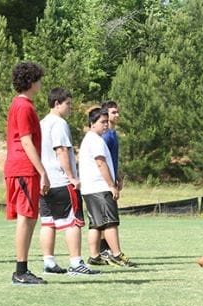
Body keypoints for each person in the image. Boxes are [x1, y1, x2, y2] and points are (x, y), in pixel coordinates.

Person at [39, 88, 100, 276]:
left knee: (48, 222)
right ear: (57, 104)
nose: (70, 108)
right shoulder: (59, 123)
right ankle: (76, 263)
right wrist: (72, 177)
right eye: (68, 104)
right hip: (60, 180)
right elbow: (62, 150)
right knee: (72, 222)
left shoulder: (41, 123)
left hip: (45, 180)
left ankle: (48, 262)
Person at [4, 61, 50, 285]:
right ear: (31, 81)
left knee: (30, 217)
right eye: (39, 79)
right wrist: (42, 171)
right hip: (23, 167)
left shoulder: (25, 105)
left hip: (25, 167)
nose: (41, 83)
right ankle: (20, 271)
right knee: (26, 217)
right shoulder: (23, 106)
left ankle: (23, 269)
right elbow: (25, 141)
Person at [79, 107, 136, 268]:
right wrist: (111, 185)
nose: (106, 125)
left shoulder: (91, 139)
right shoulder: (96, 140)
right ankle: (117, 254)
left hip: (90, 189)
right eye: (102, 122)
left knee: (96, 224)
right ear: (92, 124)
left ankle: (94, 256)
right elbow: (101, 163)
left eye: (106, 121)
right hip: (99, 188)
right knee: (111, 222)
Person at [97, 100, 124, 261]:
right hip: (103, 182)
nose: (117, 115)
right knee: (105, 217)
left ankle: (104, 249)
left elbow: (112, 159)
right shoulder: (105, 136)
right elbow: (102, 161)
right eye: (113, 112)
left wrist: (118, 175)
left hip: (112, 179)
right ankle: (104, 250)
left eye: (117, 112)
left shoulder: (113, 134)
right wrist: (109, 181)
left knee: (106, 216)